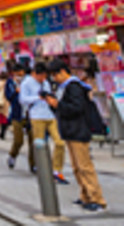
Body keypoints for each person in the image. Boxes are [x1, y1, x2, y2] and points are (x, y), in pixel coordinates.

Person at [45, 60, 107, 212]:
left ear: (63, 72)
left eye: (55, 75)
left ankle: (97, 199)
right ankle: (85, 195)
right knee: (76, 167)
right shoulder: (64, 88)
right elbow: (61, 110)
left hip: (79, 130)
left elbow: (77, 108)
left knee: (85, 166)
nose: (54, 79)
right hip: (70, 131)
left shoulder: (74, 87)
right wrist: (53, 104)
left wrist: (57, 105)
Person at [20, 62, 68, 184]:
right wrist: (38, 98)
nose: (43, 79)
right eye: (41, 76)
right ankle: (41, 168)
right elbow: (22, 99)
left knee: (60, 142)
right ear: (35, 74)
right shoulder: (27, 83)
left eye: (45, 76)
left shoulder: (46, 83)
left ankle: (56, 170)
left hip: (50, 115)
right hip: (37, 116)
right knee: (40, 145)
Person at [6, 64, 33, 170]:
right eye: (16, 73)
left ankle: (33, 164)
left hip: (29, 114)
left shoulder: (29, 82)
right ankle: (12, 155)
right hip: (16, 115)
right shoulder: (10, 82)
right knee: (18, 140)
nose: (19, 75)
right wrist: (15, 92)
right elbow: (8, 96)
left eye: (20, 72)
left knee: (33, 141)